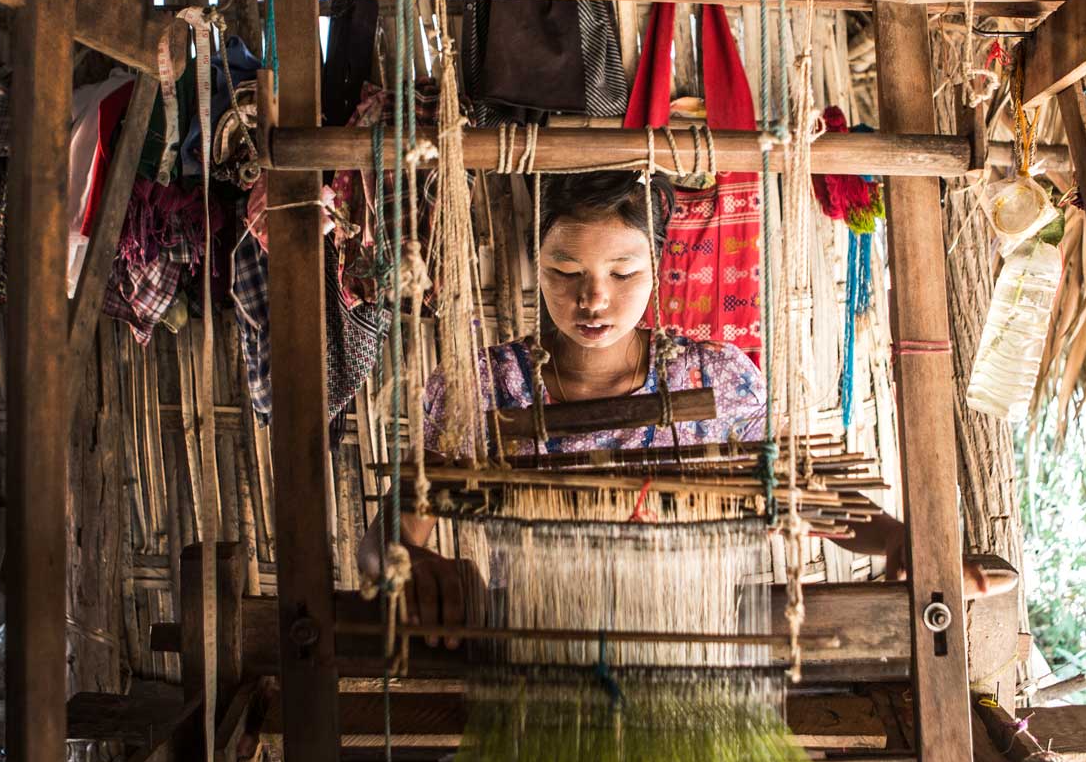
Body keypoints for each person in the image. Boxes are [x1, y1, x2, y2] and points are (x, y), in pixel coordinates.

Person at [361, 171, 1013, 635]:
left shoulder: (716, 378)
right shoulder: (483, 388)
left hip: (697, 644)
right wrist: (410, 561)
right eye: (567, 272)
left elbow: (800, 490)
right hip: (532, 653)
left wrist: (902, 541)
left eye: (623, 273)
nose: (594, 300)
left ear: (657, 261)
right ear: (538, 259)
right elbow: (382, 539)